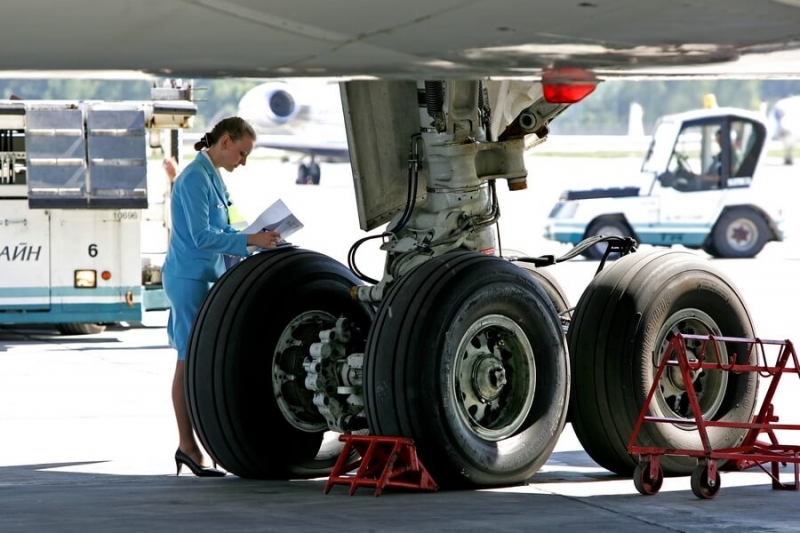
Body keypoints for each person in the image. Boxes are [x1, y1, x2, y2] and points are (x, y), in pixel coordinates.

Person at [161, 116, 281, 477]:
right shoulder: (195, 178)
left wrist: (258, 236)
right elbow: (201, 237)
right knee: (187, 358)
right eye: (241, 153)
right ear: (226, 141)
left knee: (196, 359)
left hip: (207, 276)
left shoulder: (211, 175)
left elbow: (223, 226)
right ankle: (187, 445)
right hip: (189, 278)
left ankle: (196, 444)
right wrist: (249, 241)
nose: (241, 161)